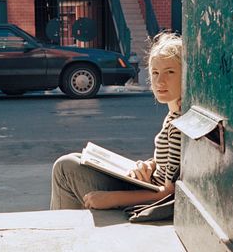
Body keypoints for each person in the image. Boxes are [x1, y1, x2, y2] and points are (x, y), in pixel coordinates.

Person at [50, 32, 182, 210]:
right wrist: (149, 165)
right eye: (155, 72)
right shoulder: (174, 115)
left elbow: (170, 193)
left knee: (65, 168)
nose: (160, 81)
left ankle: (63, 232)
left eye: (170, 72)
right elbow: (172, 165)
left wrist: (110, 199)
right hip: (146, 184)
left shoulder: (179, 125)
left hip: (150, 199)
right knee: (74, 160)